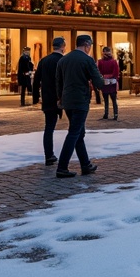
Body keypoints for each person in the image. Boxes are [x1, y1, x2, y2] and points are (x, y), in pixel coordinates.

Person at [55, 34, 104, 178]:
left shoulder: (63, 60)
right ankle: (62, 167)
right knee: (74, 133)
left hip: (67, 101)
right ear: (87, 45)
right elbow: (98, 82)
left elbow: (58, 81)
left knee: (79, 133)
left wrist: (60, 98)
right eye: (90, 46)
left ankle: (85, 164)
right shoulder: (87, 60)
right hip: (80, 100)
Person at [32, 37, 65, 166]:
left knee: (49, 128)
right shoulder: (62, 60)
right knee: (74, 128)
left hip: (47, 98)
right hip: (61, 97)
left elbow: (36, 80)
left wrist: (36, 97)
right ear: (63, 46)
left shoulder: (44, 60)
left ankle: (49, 155)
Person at [98, 45, 120, 120]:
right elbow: (116, 73)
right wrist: (112, 77)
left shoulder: (100, 62)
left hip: (105, 82)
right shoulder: (114, 62)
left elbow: (99, 72)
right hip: (112, 82)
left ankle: (106, 114)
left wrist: (104, 77)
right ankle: (115, 114)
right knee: (113, 99)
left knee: (106, 99)